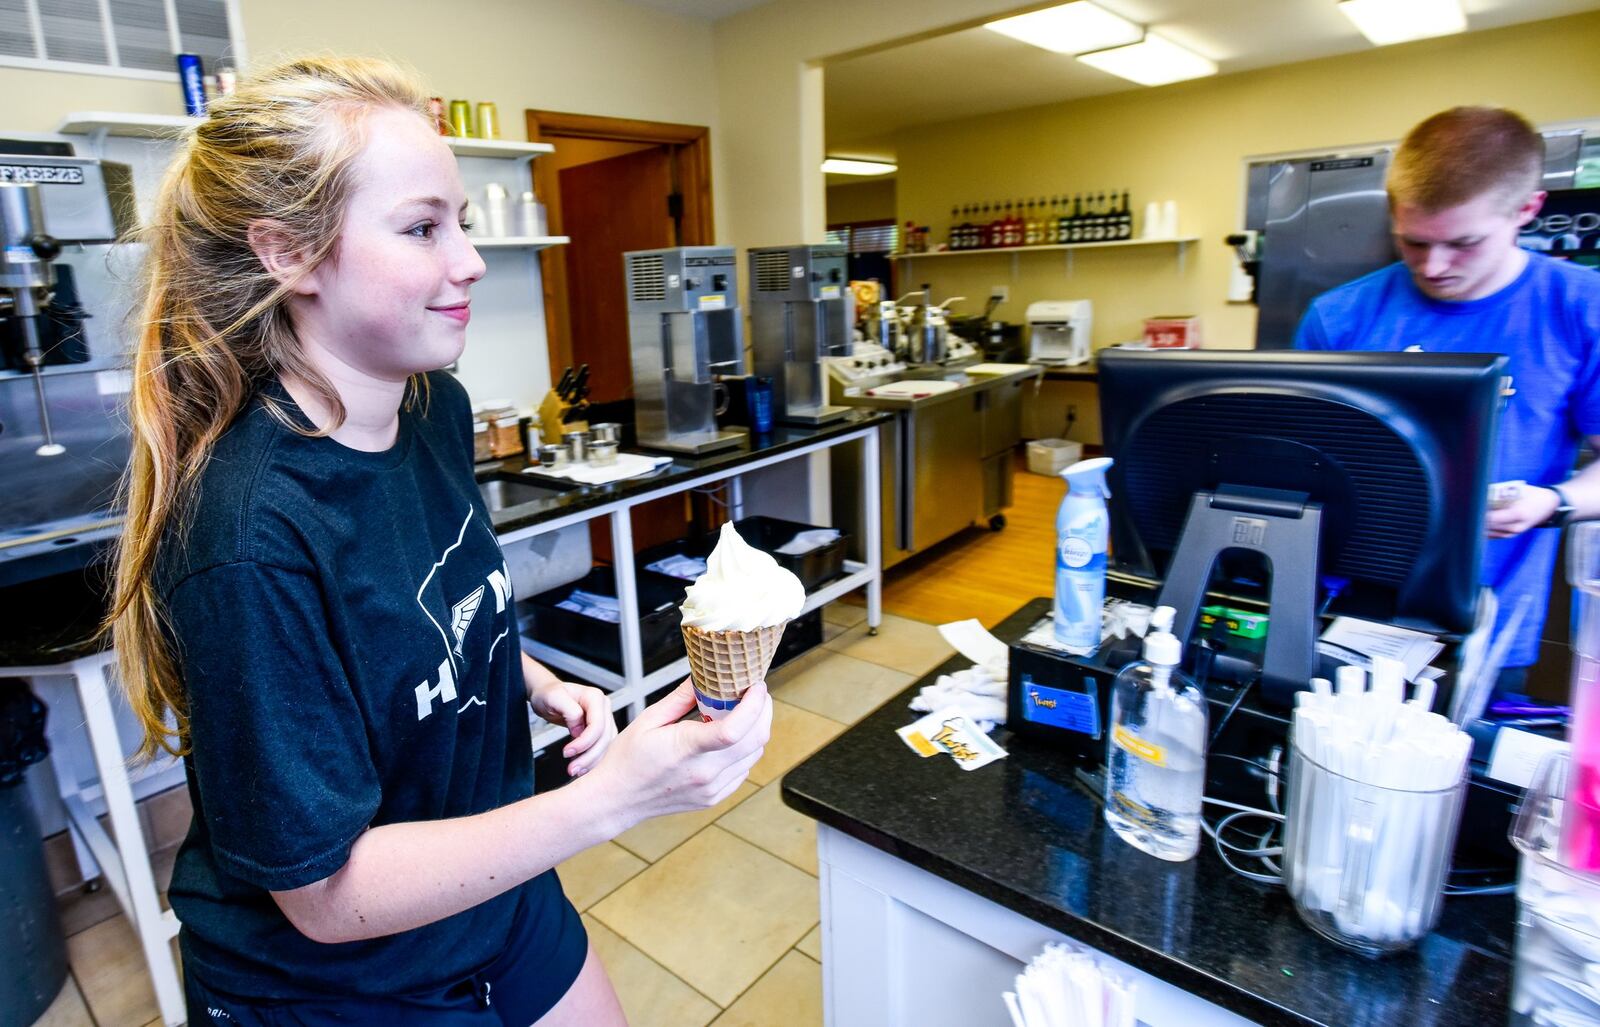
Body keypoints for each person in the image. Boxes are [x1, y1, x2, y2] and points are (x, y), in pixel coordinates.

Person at [105, 56, 772, 1026]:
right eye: (422, 227)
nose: (467, 260)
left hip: (487, 888)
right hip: (336, 984)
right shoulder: (250, 536)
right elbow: (326, 895)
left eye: (460, 221)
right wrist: (613, 800)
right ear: (288, 254)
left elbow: (435, 605)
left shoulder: (432, 406)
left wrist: (537, 682)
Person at [1296, 106, 1600, 688]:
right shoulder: (1338, 317)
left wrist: (1551, 503)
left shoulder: (1580, 309)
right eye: (1413, 242)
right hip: (1344, 609)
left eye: (1463, 243)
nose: (1434, 267)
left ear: (1527, 210)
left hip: (1488, 621)